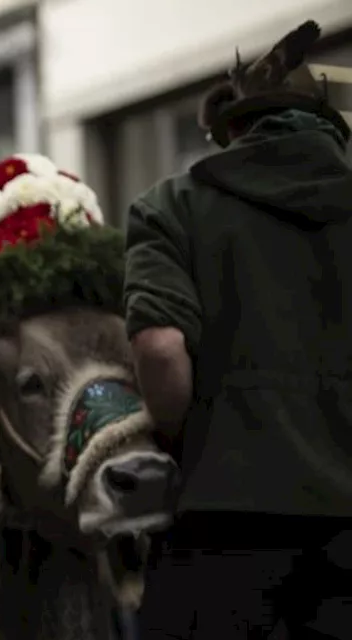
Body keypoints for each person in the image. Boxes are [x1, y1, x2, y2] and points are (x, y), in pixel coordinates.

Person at [122, 20, 352, 639]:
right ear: (331, 128)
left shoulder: (171, 205)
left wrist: (192, 435)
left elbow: (160, 346)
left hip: (221, 534)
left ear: (233, 129)